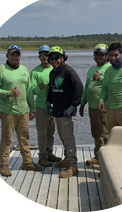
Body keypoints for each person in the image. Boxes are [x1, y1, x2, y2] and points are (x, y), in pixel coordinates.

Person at [0, 45, 42, 177]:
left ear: (20, 56)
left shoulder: (24, 69)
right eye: (12, 54)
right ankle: (4, 165)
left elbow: (29, 91)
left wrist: (32, 108)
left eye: (17, 55)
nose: (14, 57)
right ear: (7, 56)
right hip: (7, 111)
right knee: (7, 139)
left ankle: (27, 163)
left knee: (24, 138)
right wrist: (8, 93)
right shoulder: (1, 70)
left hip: (23, 111)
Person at [46, 46, 83, 178]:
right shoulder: (52, 73)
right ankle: (67, 159)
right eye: (51, 58)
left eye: (56, 57)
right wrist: (48, 102)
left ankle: (73, 166)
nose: (54, 60)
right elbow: (51, 89)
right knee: (62, 137)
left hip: (67, 112)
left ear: (63, 58)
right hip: (57, 111)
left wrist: (74, 105)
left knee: (68, 138)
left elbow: (79, 88)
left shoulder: (69, 71)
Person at [79, 44, 111, 166]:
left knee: (105, 134)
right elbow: (87, 87)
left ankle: (107, 160)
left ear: (106, 56)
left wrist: (101, 78)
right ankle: (98, 156)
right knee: (96, 133)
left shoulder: (109, 68)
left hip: (103, 107)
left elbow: (111, 85)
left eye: (101, 55)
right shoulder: (91, 69)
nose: (98, 57)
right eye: (96, 55)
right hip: (92, 107)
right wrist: (82, 104)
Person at [30, 45, 61, 167]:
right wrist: (39, 88)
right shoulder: (35, 71)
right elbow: (31, 90)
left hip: (54, 106)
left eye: (46, 54)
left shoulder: (55, 69)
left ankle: (49, 153)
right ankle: (42, 157)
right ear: (39, 57)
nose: (44, 57)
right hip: (42, 107)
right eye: (42, 55)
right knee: (42, 133)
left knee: (51, 132)